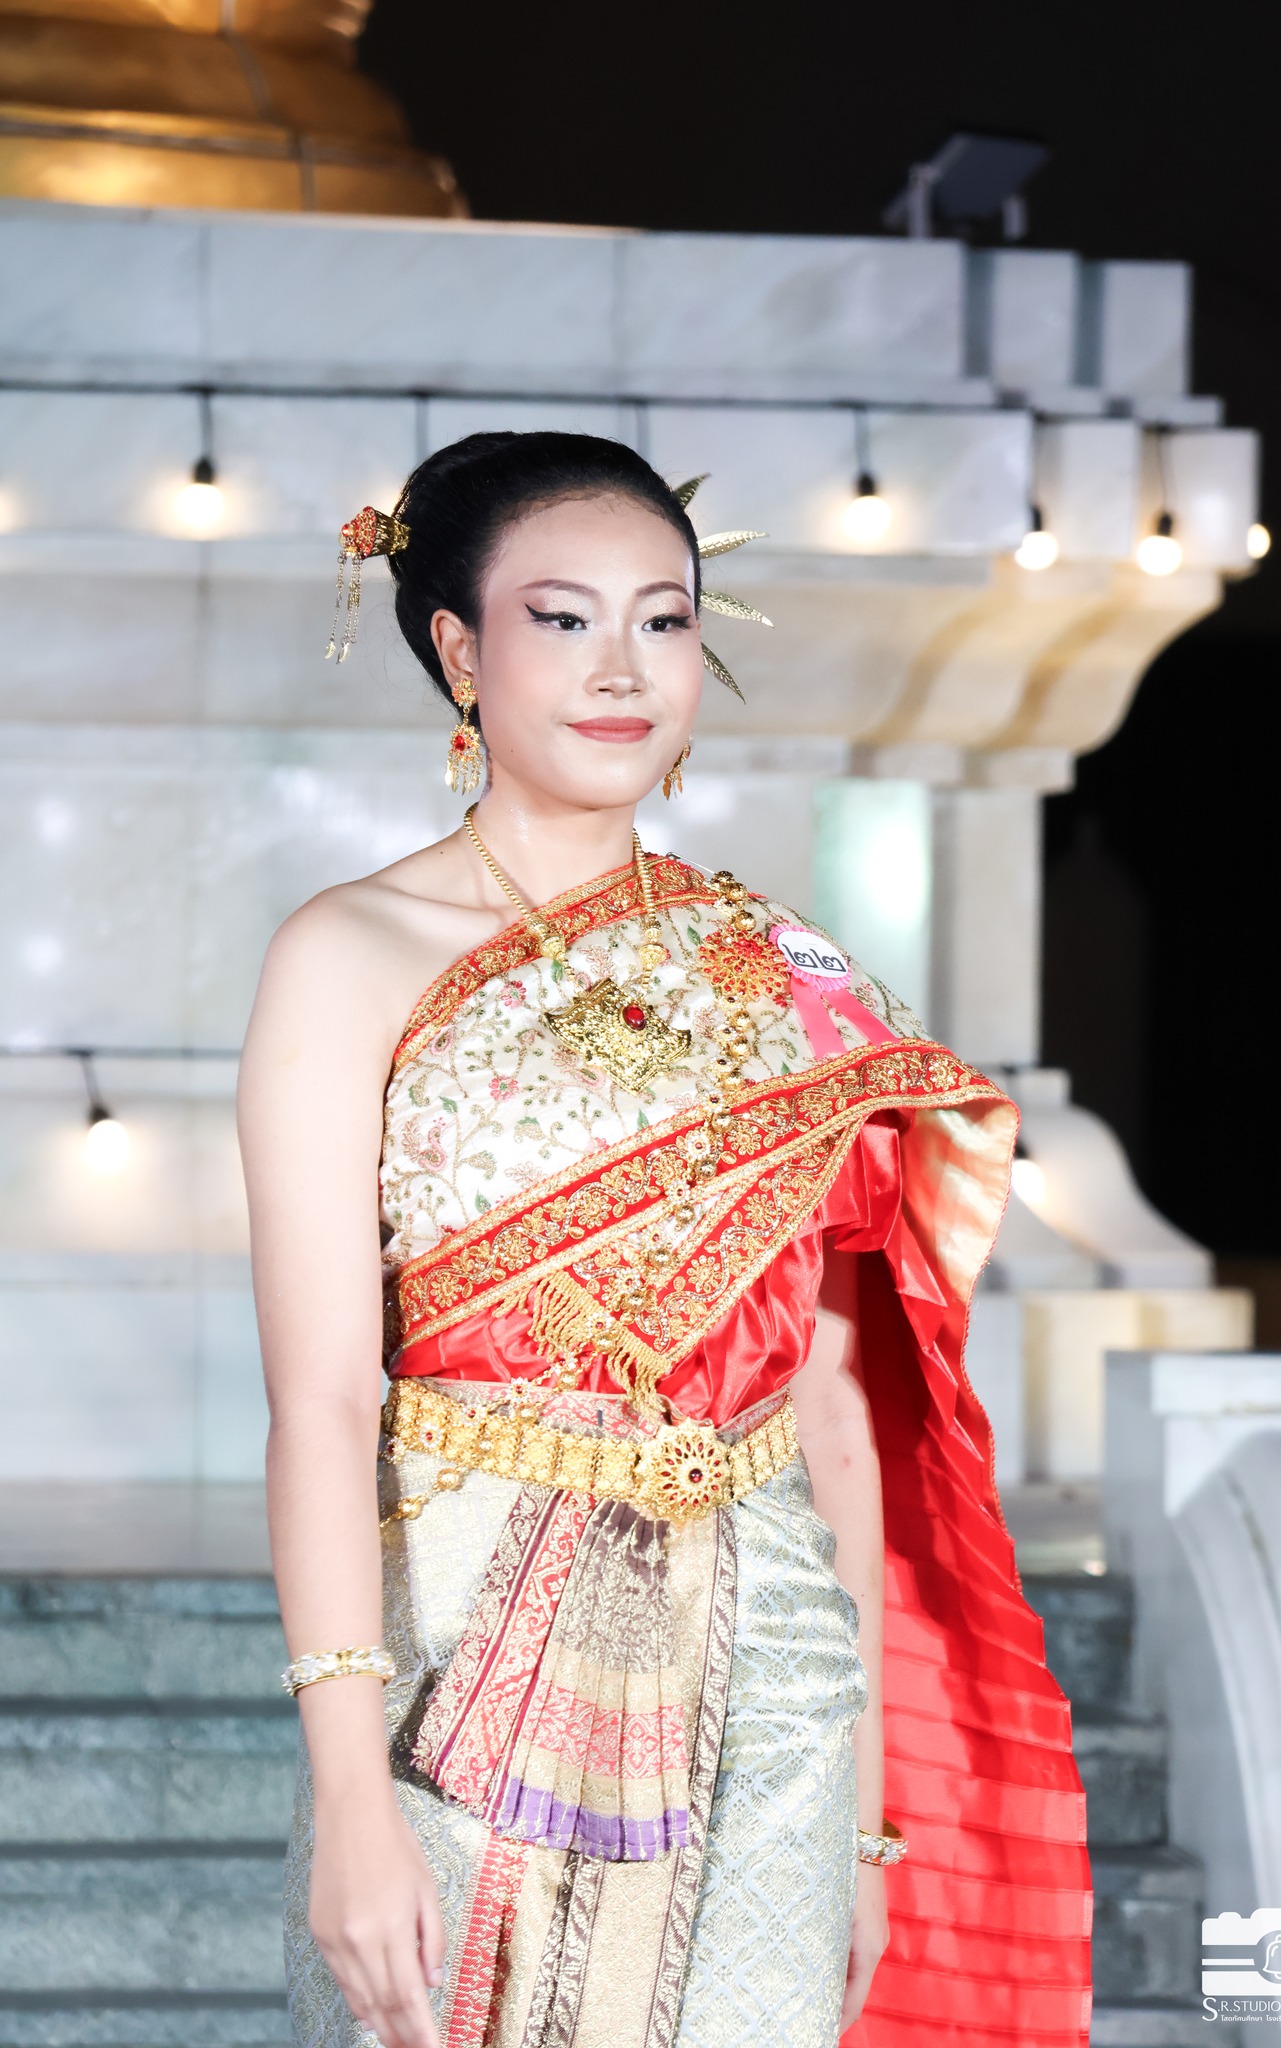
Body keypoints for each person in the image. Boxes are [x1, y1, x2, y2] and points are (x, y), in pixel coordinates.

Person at [237, 432, 1091, 2048]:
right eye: (561, 620)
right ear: (459, 650)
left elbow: (831, 1404)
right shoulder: (348, 953)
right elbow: (323, 1401)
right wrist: (348, 1794)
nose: (621, 668)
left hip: (772, 1667)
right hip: (459, 1662)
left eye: (665, 619)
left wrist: (864, 1821)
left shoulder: (780, 974)